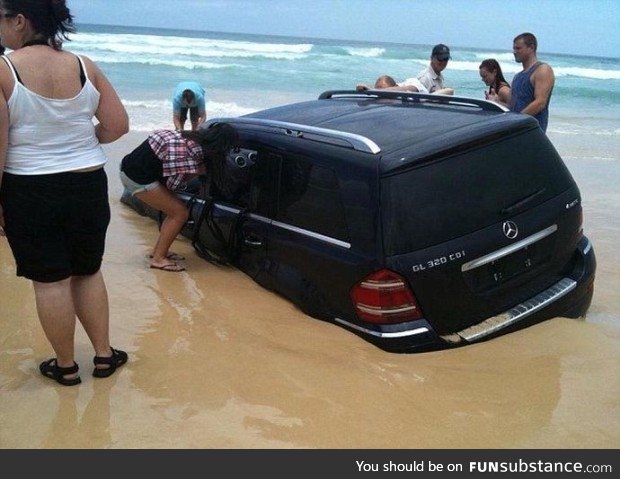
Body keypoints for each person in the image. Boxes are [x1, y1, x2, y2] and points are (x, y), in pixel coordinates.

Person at [0, 0, 129, 386]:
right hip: (87, 183)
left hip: (31, 188)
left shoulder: (5, 70)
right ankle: (104, 356)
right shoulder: (83, 65)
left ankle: (67, 366)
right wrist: (80, 139)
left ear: (20, 21)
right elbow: (117, 125)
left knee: (51, 281)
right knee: (87, 272)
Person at [120, 123, 240, 272]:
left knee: (174, 211)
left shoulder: (190, 138)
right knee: (180, 213)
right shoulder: (186, 154)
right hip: (137, 178)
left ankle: (158, 252)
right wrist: (197, 171)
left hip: (132, 167)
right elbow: (173, 185)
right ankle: (158, 259)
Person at [507, 32, 555, 132]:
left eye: (518, 48)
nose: (514, 51)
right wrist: (495, 101)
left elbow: (540, 102)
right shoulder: (517, 76)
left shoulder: (542, 70)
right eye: (514, 48)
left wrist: (516, 122)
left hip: (532, 133)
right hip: (516, 132)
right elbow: (512, 106)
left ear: (531, 47)